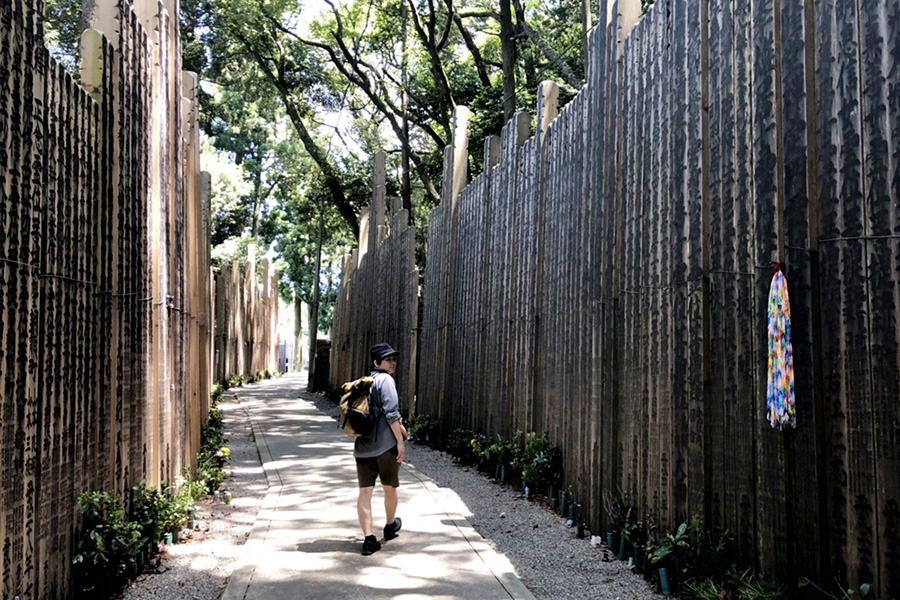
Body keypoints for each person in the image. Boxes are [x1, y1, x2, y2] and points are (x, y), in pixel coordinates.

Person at [355, 342, 406, 555]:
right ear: (377, 362)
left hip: (363, 447)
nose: (392, 363)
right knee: (389, 487)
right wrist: (400, 443)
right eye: (388, 360)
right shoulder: (386, 380)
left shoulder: (364, 382)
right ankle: (389, 525)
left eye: (394, 359)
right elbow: (392, 414)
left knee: (365, 492)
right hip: (385, 446)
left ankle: (368, 539)